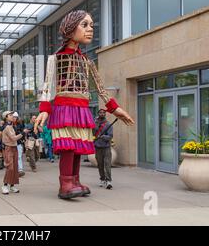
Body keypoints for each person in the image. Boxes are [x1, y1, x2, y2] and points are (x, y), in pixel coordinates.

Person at [34, 10, 134, 200]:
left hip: (81, 109)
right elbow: (46, 85)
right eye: (85, 25)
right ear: (71, 29)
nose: (90, 30)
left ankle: (75, 180)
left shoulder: (87, 61)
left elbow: (101, 90)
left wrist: (116, 109)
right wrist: (44, 110)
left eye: (91, 26)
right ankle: (65, 183)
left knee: (78, 147)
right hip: (65, 108)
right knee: (68, 147)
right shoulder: (54, 59)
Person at [1, 111, 23, 194]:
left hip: (14, 147)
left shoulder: (11, 126)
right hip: (9, 148)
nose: (12, 116)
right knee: (10, 167)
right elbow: (13, 138)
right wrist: (23, 133)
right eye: (10, 115)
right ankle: (5, 185)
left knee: (15, 168)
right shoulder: (6, 127)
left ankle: (12, 186)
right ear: (6, 117)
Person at [93, 109, 114, 189]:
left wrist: (103, 137)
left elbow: (110, 136)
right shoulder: (95, 124)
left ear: (105, 114)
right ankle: (102, 179)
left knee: (107, 164)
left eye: (103, 113)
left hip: (106, 147)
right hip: (97, 147)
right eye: (100, 112)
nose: (102, 114)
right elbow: (92, 133)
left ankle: (108, 181)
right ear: (98, 114)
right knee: (100, 164)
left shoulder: (108, 124)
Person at [12, 113, 25, 177]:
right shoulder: (9, 125)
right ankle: (13, 170)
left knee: (19, 156)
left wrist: (23, 139)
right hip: (11, 143)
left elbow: (23, 132)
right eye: (13, 117)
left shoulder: (20, 125)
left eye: (15, 117)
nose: (14, 118)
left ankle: (20, 170)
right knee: (12, 157)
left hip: (18, 142)